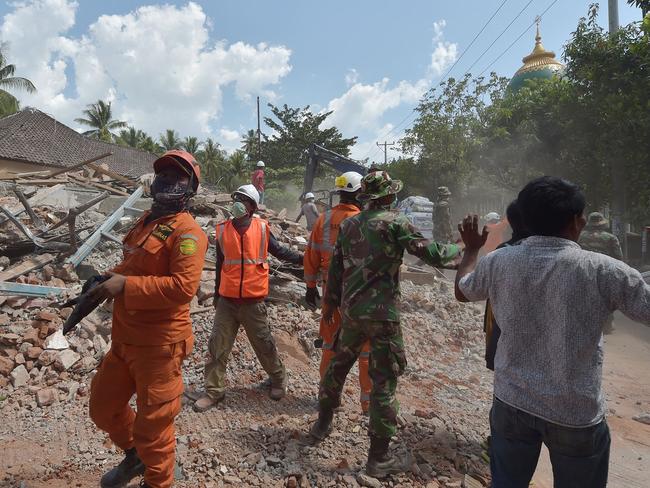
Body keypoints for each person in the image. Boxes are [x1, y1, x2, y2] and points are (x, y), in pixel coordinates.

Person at [454, 176, 650, 488]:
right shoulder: (605, 270)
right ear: (575, 221)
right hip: (574, 414)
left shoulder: (499, 261)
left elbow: (463, 291)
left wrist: (471, 250)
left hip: (511, 403)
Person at [309, 171, 460, 478]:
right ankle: (378, 459)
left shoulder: (350, 224)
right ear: (389, 196)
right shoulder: (396, 223)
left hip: (351, 313)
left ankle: (321, 425)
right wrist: (463, 248)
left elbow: (336, 270)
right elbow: (431, 253)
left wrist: (330, 306)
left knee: (337, 368)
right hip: (383, 317)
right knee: (383, 383)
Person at [88, 150, 208, 488]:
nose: (168, 181)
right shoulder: (146, 222)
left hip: (159, 347)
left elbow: (183, 288)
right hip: (125, 339)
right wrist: (105, 278)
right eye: (163, 174)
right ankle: (135, 456)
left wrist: (125, 285)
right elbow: (132, 266)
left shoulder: (188, 233)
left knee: (153, 429)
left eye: (178, 176)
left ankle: (158, 481)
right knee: (103, 409)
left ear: (191, 189)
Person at [193, 184, 304, 412]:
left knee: (264, 344)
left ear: (252, 206)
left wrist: (306, 259)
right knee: (217, 346)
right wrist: (216, 294)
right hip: (227, 301)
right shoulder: (223, 230)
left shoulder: (262, 229)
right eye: (236, 198)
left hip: (253, 302)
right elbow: (221, 265)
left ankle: (277, 379)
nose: (238, 203)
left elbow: (281, 252)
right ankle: (214, 391)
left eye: (243, 200)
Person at [303, 171, 371, 414]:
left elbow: (311, 255)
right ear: (360, 193)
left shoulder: (324, 219)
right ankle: (368, 404)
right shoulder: (366, 221)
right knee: (366, 351)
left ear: (340, 192)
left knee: (331, 346)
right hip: (360, 298)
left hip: (330, 295)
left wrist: (310, 288)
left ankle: (328, 397)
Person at [579, 212, 624, 334]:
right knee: (607, 298)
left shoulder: (579, 236)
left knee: (584, 298)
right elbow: (618, 258)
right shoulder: (610, 238)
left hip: (583, 272)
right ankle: (607, 324)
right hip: (605, 273)